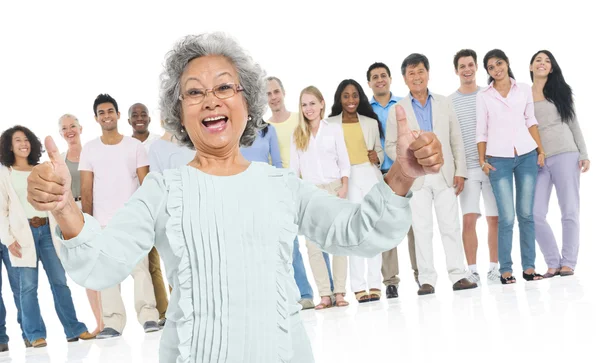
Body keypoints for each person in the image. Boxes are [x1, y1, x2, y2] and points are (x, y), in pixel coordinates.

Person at [26, 32, 443, 362]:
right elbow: (102, 263)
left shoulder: (279, 185)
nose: (210, 99)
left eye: (224, 86)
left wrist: (403, 173)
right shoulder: (164, 188)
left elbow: (357, 232)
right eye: (194, 91)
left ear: (247, 102)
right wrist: (63, 206)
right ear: (179, 111)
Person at [385, 53, 477, 295]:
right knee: (422, 228)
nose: (417, 77)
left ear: (428, 73)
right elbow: (389, 145)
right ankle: (427, 280)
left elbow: (456, 138)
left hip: (445, 172)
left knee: (450, 226)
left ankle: (458, 275)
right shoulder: (398, 109)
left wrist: (461, 171)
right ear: (404, 79)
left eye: (420, 71)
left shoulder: (445, 102)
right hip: (417, 178)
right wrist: (408, 160)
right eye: (411, 73)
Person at [0, 126, 92, 348]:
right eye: (18, 140)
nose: (24, 144)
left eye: (26, 140)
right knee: (28, 287)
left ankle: (74, 329)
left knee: (60, 282)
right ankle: (35, 335)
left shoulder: (42, 168)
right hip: (23, 236)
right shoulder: (5, 173)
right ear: (9, 147)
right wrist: (8, 239)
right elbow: (2, 209)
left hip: (48, 233)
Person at [79, 94, 160, 338]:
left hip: (132, 221)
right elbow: (86, 189)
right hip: (102, 224)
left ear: (117, 115)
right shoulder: (90, 149)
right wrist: (87, 226)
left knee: (141, 271)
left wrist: (147, 216)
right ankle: (113, 323)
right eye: (101, 112)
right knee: (107, 275)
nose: (106, 116)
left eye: (110, 111)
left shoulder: (134, 146)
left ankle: (149, 317)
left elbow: (146, 184)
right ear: (96, 118)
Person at [477, 49, 546, 284]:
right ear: (488, 72)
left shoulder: (523, 89)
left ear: (507, 63)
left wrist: (540, 150)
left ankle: (529, 268)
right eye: (491, 67)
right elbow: (481, 130)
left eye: (499, 63)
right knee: (506, 217)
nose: (497, 69)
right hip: (498, 160)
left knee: (526, 214)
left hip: (526, 155)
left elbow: (531, 121)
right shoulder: (484, 96)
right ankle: (505, 269)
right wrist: (482, 161)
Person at [530, 50, 590, 278]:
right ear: (531, 66)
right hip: (538, 160)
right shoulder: (523, 94)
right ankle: (553, 262)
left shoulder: (561, 92)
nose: (542, 64)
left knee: (569, 211)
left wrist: (583, 153)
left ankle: (569, 262)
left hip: (566, 153)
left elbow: (573, 123)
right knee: (534, 214)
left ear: (552, 68)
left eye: (547, 61)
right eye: (538, 60)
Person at [290, 85, 351, 309]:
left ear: (322, 103)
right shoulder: (297, 135)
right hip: (310, 193)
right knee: (314, 246)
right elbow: (294, 172)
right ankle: (325, 294)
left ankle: (340, 292)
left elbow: (344, 162)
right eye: (304, 105)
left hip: (334, 189)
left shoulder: (333, 129)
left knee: (338, 244)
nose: (309, 109)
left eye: (312, 103)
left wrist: (343, 188)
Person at [328, 79, 384, 303]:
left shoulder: (370, 122)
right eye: (346, 96)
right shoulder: (329, 124)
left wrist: (376, 157)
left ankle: (374, 284)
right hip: (346, 177)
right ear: (339, 99)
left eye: (354, 95)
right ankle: (359, 286)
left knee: (373, 229)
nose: (351, 100)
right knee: (354, 231)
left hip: (369, 175)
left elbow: (378, 151)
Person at [367, 62, 418, 297]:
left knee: (415, 225)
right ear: (369, 83)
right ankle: (390, 281)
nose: (380, 80)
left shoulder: (403, 104)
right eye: (375, 77)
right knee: (388, 228)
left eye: (383, 76)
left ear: (390, 79)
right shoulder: (367, 110)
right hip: (384, 173)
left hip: (408, 170)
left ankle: (422, 274)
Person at [449, 50, 500, 283]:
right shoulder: (450, 101)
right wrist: (456, 171)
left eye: (470, 64)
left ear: (476, 67)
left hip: (492, 164)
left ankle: (494, 268)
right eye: (462, 66)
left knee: (494, 218)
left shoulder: (487, 94)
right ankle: (472, 270)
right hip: (467, 169)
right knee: (469, 219)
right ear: (456, 70)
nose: (467, 69)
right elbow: (451, 138)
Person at [266, 77, 316, 310]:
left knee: (316, 241)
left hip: (305, 187)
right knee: (291, 246)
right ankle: (304, 293)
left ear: (284, 92)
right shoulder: (265, 128)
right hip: (281, 192)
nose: (273, 97)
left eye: (276, 91)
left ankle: (329, 290)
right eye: (268, 94)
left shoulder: (300, 119)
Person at [58, 114, 104, 335]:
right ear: (61, 133)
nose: (69, 131)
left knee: (104, 267)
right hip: (73, 216)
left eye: (73, 126)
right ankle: (100, 323)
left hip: (95, 211)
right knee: (88, 270)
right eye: (65, 128)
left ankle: (112, 318)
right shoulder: (60, 159)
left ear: (81, 128)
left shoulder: (93, 152)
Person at [128, 104, 169, 327]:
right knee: (151, 265)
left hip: (163, 209)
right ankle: (164, 312)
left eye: (143, 114)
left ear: (150, 118)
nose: (139, 118)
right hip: (142, 213)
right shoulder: (127, 146)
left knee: (173, 260)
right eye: (135, 115)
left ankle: (182, 310)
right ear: (129, 121)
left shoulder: (157, 143)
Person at [0, 236, 26, 352]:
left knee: (21, 288)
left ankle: (30, 333)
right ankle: (1, 339)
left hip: (10, 236)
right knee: (21, 288)